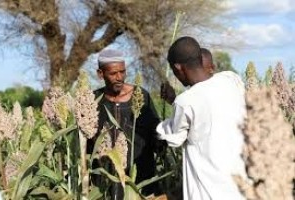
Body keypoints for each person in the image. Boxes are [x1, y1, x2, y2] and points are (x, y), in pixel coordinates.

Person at [157, 36, 247, 200]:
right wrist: (174, 101)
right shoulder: (231, 80)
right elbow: (206, 105)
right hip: (240, 189)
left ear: (178, 68)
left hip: (207, 193)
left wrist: (174, 105)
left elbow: (173, 138)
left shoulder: (185, 102)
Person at [87, 49, 162, 198]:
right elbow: (87, 141)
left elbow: (154, 131)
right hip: (106, 179)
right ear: (100, 74)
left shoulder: (141, 96)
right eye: (113, 73)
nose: (119, 77)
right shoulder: (94, 100)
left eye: (122, 72)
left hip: (140, 178)